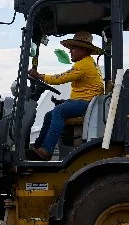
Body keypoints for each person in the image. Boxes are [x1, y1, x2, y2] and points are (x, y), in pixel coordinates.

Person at [26, 31, 104, 160]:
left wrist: (39, 76)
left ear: (83, 50)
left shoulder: (83, 64)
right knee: (49, 115)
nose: (70, 52)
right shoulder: (88, 62)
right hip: (86, 102)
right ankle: (38, 148)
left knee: (59, 111)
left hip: (86, 103)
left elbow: (61, 78)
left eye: (73, 48)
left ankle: (46, 150)